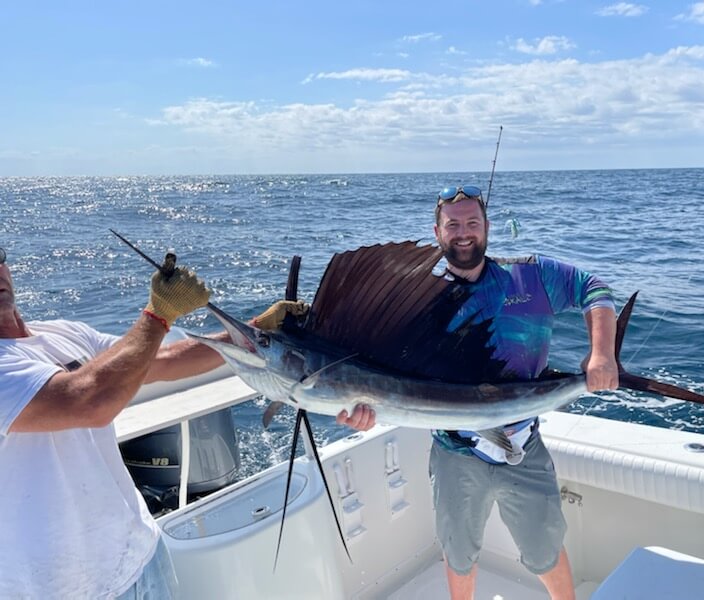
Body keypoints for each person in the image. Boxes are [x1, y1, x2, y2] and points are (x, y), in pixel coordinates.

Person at [337, 185, 618, 600]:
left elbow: (594, 289)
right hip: (454, 453)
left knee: (544, 550)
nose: (463, 233)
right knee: (459, 554)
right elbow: (388, 381)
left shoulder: (531, 274)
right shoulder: (422, 301)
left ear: (487, 228)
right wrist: (363, 409)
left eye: (472, 223)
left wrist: (601, 356)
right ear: (437, 232)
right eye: (453, 225)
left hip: (524, 444)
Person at [0, 245, 306, 599]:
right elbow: (89, 399)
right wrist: (158, 315)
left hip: (142, 557)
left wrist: (254, 335)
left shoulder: (59, 333)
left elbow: (159, 360)